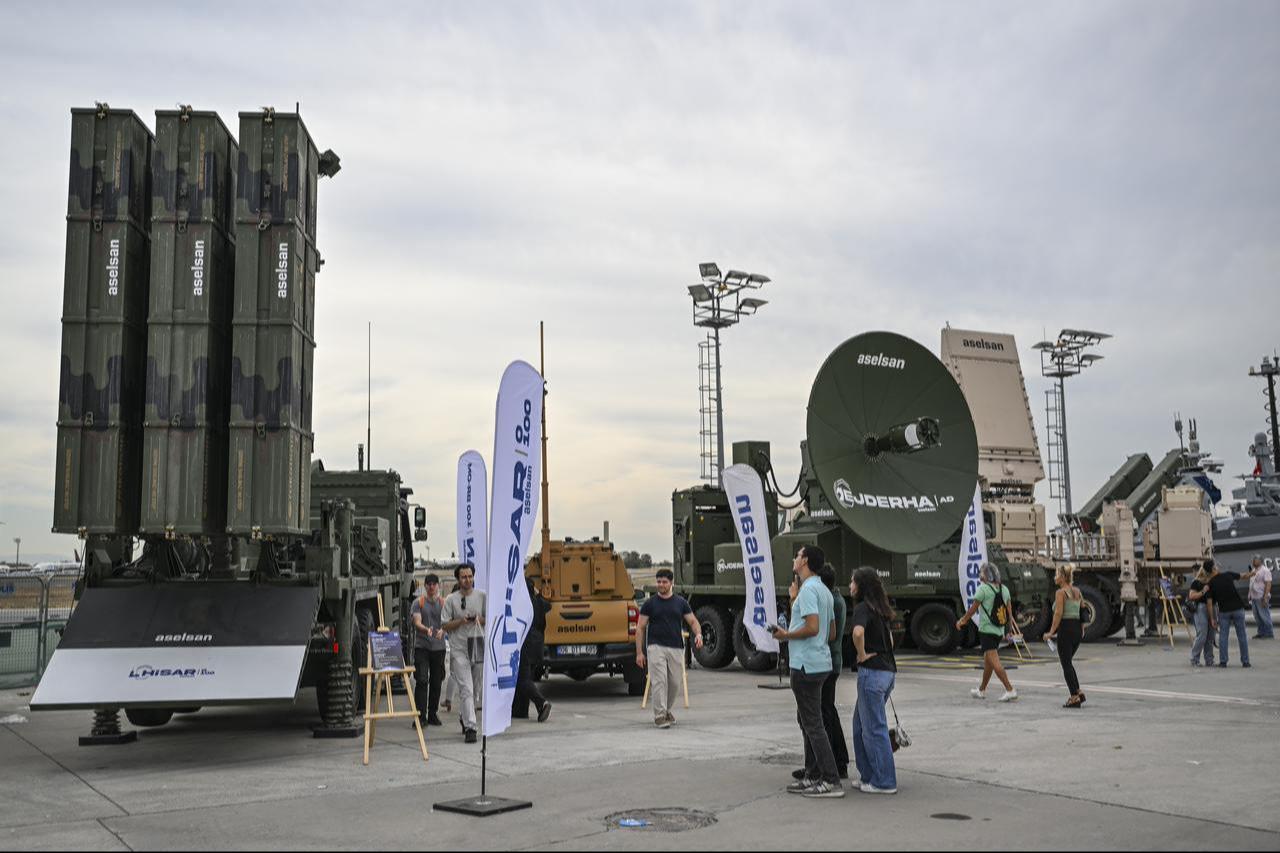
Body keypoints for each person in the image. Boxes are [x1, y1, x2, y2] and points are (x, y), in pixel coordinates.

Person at [770, 545, 844, 799]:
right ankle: (813, 774)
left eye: (797, 555)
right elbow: (830, 632)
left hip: (805, 665)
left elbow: (812, 627)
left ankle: (831, 780)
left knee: (813, 724)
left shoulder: (810, 590)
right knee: (807, 721)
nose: (794, 558)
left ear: (805, 562)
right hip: (820, 662)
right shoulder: (824, 590)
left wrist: (786, 635)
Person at [794, 565, 848, 780]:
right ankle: (825, 763)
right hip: (829, 662)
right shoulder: (833, 597)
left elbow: (816, 630)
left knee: (818, 718)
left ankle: (829, 766)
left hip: (822, 663)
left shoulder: (826, 599)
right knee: (824, 714)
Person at [847, 565, 897, 794]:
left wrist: (861, 653)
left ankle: (884, 781)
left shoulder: (861, 609)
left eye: (852, 582)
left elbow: (858, 633)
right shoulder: (881, 609)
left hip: (872, 673)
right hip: (887, 671)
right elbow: (891, 642)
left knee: (874, 727)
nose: (850, 586)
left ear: (861, 586)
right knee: (860, 725)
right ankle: (868, 774)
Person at [636, 567, 702, 729]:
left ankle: (666, 710)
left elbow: (693, 621)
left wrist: (698, 634)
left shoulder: (681, 603)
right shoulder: (649, 604)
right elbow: (640, 627)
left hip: (676, 648)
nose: (661, 585)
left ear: (671, 583)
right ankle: (659, 715)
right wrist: (639, 653)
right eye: (658, 582)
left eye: (664, 582)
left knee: (674, 683)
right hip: (655, 647)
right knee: (659, 681)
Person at [955, 562, 1018, 701]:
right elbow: (1009, 613)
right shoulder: (1004, 589)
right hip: (998, 631)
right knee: (988, 662)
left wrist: (962, 621)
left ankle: (1010, 689)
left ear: (985, 575)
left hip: (986, 631)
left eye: (981, 573)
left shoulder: (983, 589)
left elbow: (972, 609)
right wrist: (1009, 631)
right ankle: (982, 690)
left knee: (995, 663)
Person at [441, 563, 486, 742]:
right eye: (463, 577)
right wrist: (460, 621)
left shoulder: (482, 596)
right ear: (458, 579)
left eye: (469, 576)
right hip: (459, 649)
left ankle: (464, 714)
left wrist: (478, 619)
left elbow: (490, 617)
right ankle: (471, 728)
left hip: (477, 644)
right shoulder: (451, 600)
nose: (467, 580)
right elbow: (444, 625)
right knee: (466, 688)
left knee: (475, 689)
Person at [1204, 558, 1260, 667]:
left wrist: (1212, 618)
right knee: (1242, 636)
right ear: (1214, 568)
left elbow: (1209, 604)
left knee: (1223, 637)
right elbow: (1243, 576)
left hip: (1224, 612)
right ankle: (1246, 662)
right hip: (1238, 608)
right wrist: (1253, 573)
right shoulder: (1228, 575)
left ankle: (1223, 662)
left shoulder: (1209, 584)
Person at [1043, 564, 1086, 708]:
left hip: (1066, 629)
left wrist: (1051, 632)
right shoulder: (1077, 591)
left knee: (1066, 664)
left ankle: (1074, 697)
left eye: (1056, 575)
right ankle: (1078, 691)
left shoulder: (1060, 593)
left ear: (1062, 577)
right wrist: (1082, 628)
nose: (1055, 577)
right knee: (1068, 662)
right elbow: (1083, 611)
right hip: (1077, 631)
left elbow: (1058, 613)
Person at [512, 576, 552, 723]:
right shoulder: (539, 602)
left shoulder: (521, 603)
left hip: (524, 643)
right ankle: (521, 711)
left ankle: (542, 703)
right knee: (526, 677)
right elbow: (549, 605)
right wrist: (538, 593)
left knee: (522, 679)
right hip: (538, 644)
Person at [409, 573, 447, 726]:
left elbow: (448, 622)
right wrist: (426, 630)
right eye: (428, 584)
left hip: (439, 648)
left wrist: (442, 631)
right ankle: (420, 716)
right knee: (422, 680)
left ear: (438, 586)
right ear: (425, 586)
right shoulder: (419, 602)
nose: (431, 587)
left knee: (437, 682)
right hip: (422, 647)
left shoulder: (444, 603)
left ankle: (432, 714)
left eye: (434, 584)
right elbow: (417, 621)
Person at [1187, 562, 1217, 666]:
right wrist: (1203, 592)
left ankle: (1209, 660)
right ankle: (1194, 658)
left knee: (1210, 636)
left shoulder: (1213, 581)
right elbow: (1191, 596)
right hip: (1201, 608)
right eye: (1213, 568)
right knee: (1202, 634)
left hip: (1213, 607)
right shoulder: (1197, 582)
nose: (1215, 569)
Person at [1247, 556, 1273, 640]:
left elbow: (1268, 584)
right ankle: (1261, 632)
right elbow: (1251, 584)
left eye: (1256, 560)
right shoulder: (1253, 571)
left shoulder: (1265, 570)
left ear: (1260, 561)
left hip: (1261, 597)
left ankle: (1269, 633)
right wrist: (1249, 596)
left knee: (1264, 616)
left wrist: (1265, 598)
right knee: (1257, 617)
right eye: (1253, 560)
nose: (1254, 561)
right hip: (1254, 597)